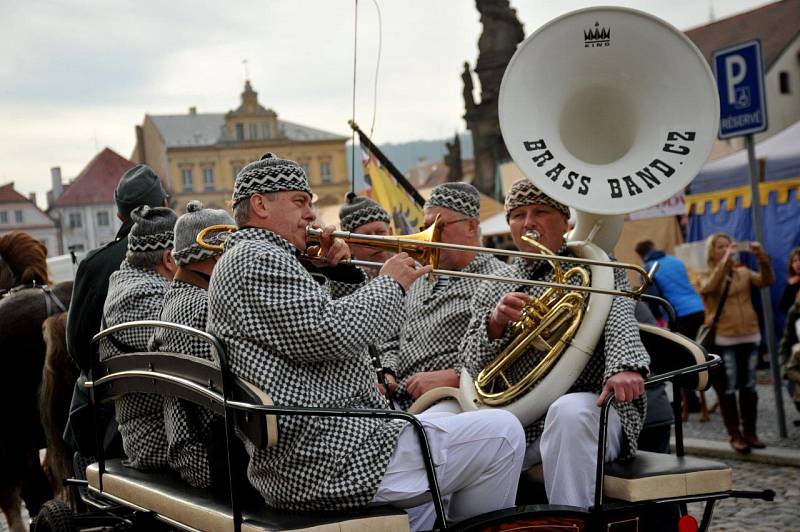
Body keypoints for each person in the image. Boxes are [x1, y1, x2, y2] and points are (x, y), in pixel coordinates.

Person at [206, 154, 524, 530]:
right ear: (260, 204)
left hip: (320, 445)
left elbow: (314, 328)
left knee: (448, 474)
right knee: (503, 434)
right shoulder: (256, 259)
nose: (311, 214)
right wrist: (390, 283)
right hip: (334, 455)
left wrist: (338, 271)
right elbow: (331, 332)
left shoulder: (258, 257)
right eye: (299, 202)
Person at [461, 179, 649, 509]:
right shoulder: (495, 285)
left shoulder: (596, 266)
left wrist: (625, 366)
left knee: (569, 412)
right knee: (455, 437)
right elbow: (471, 365)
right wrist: (495, 324)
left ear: (566, 222)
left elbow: (619, 310)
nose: (528, 222)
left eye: (540, 212)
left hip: (596, 405)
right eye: (518, 215)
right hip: (524, 420)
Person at [64, 165, 168, 462]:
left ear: (119, 215)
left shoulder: (94, 264)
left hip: (107, 418)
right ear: (163, 205)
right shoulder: (179, 255)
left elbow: (79, 348)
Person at [379, 182, 505, 410]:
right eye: (426, 226)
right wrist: (388, 373)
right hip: (399, 398)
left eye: (439, 226)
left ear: (471, 226)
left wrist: (456, 375)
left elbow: (507, 349)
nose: (429, 236)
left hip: (454, 398)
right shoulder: (418, 275)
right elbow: (390, 334)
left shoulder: (497, 277)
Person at [149, 201, 234, 488]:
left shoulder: (178, 301)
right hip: (212, 458)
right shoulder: (203, 308)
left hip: (193, 448)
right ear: (217, 257)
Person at [99, 205, 178, 469]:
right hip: (162, 441)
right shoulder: (138, 298)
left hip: (166, 430)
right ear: (169, 260)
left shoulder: (128, 285)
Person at [697, 232, 774, 453]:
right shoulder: (705, 273)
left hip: (750, 334)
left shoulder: (742, 272)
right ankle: (735, 434)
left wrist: (762, 258)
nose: (726, 249)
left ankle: (751, 433)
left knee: (749, 386)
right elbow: (708, 288)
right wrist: (723, 263)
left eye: (728, 245)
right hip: (724, 337)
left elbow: (767, 281)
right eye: (720, 247)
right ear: (712, 251)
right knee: (728, 387)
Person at [634, 239, 705, 340]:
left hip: (679, 314)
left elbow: (653, 297)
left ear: (640, 255)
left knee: (683, 351)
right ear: (654, 247)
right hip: (698, 307)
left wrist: (657, 319)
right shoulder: (675, 260)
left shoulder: (648, 269)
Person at [338, 193, 394, 278]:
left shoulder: (414, 268)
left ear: (391, 233)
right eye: (365, 237)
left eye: (380, 232)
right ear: (349, 246)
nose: (376, 242)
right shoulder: (345, 281)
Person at [778, 246, 800, 314]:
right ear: (791, 265)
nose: (797, 264)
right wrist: (789, 286)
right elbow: (783, 307)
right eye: (794, 261)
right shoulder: (792, 284)